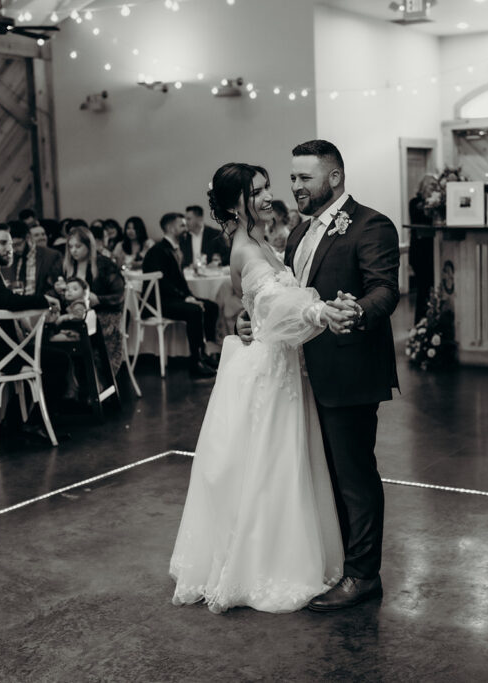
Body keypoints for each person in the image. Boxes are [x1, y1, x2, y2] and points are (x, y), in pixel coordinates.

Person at [170, 162, 358, 614]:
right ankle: (263, 563)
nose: (269, 195)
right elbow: (274, 304)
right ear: (235, 202)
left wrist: (250, 315)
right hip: (268, 373)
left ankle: (288, 550)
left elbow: (251, 303)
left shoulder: (262, 241)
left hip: (280, 366)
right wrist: (320, 313)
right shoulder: (245, 249)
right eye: (257, 191)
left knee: (285, 462)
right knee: (270, 465)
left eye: (267, 186)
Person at [240, 139, 400, 611]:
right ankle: (337, 564)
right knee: (324, 475)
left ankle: (363, 575)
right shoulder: (298, 233)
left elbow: (385, 289)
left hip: (349, 369)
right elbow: (288, 300)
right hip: (304, 372)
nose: (295, 187)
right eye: (292, 178)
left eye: (304, 178)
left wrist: (357, 313)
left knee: (354, 476)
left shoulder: (372, 225)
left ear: (333, 177)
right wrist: (253, 321)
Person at [0, 223, 68, 438]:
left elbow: (2, 302)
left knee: (42, 355)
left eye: (10, 242)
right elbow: (7, 301)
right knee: (60, 361)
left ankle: (16, 422)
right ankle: (33, 423)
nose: (10, 248)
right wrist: (44, 300)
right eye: (3, 243)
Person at [142, 213, 219, 378]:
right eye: (182, 225)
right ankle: (195, 362)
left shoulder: (175, 249)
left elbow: (179, 282)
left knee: (211, 306)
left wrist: (191, 296)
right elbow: (162, 284)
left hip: (173, 299)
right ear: (171, 228)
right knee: (195, 311)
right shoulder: (158, 251)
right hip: (159, 303)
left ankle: (207, 352)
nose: (186, 229)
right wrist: (185, 298)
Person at [60, 226, 125, 372]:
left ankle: (95, 379)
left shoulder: (104, 264)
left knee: (85, 332)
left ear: (89, 245)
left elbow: (119, 295)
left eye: (78, 246)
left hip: (104, 314)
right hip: (78, 314)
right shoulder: (69, 267)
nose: (73, 251)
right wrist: (61, 290)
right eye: (70, 247)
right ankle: (74, 382)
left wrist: (99, 299)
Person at [408, 174, 441, 321]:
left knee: (434, 289)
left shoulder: (439, 204)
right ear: (422, 187)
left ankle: (433, 320)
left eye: (436, 185)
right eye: (431, 185)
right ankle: (420, 323)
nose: (434, 188)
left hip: (434, 252)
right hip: (420, 253)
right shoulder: (414, 202)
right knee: (423, 289)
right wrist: (432, 204)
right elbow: (420, 217)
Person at [3, 220, 63, 296]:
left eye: (17, 244)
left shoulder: (51, 256)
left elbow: (57, 287)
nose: (14, 249)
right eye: (11, 245)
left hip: (41, 303)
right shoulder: (8, 257)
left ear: (27, 237)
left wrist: (39, 300)